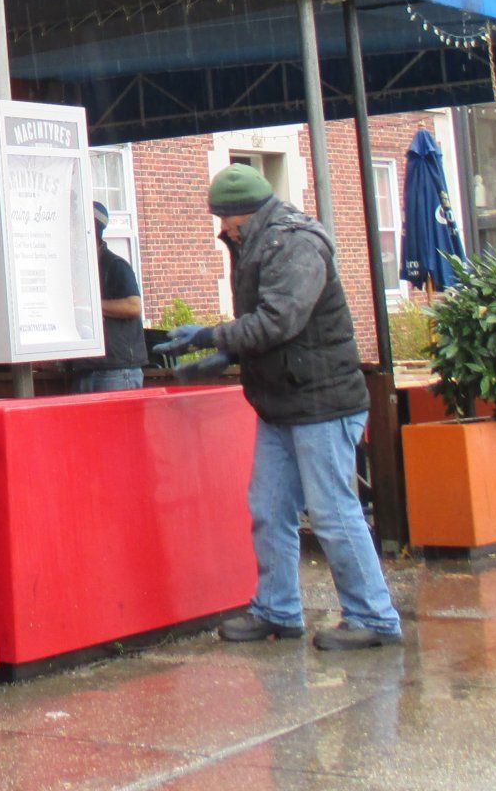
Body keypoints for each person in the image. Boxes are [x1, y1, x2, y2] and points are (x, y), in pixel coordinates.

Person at [156, 164, 402, 652]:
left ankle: (373, 616)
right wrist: (226, 354)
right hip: (282, 400)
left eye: (223, 220)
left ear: (239, 215)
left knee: (333, 514)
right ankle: (277, 609)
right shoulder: (255, 242)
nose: (220, 229)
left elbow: (278, 320)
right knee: (269, 509)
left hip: (322, 402)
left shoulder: (295, 244)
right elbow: (267, 324)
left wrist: (210, 338)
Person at [71, 201, 145, 393]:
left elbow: (133, 306)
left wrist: (91, 305)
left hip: (116, 370)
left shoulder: (115, 265)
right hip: (86, 368)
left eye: (74, 225)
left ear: (90, 230)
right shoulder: (77, 268)